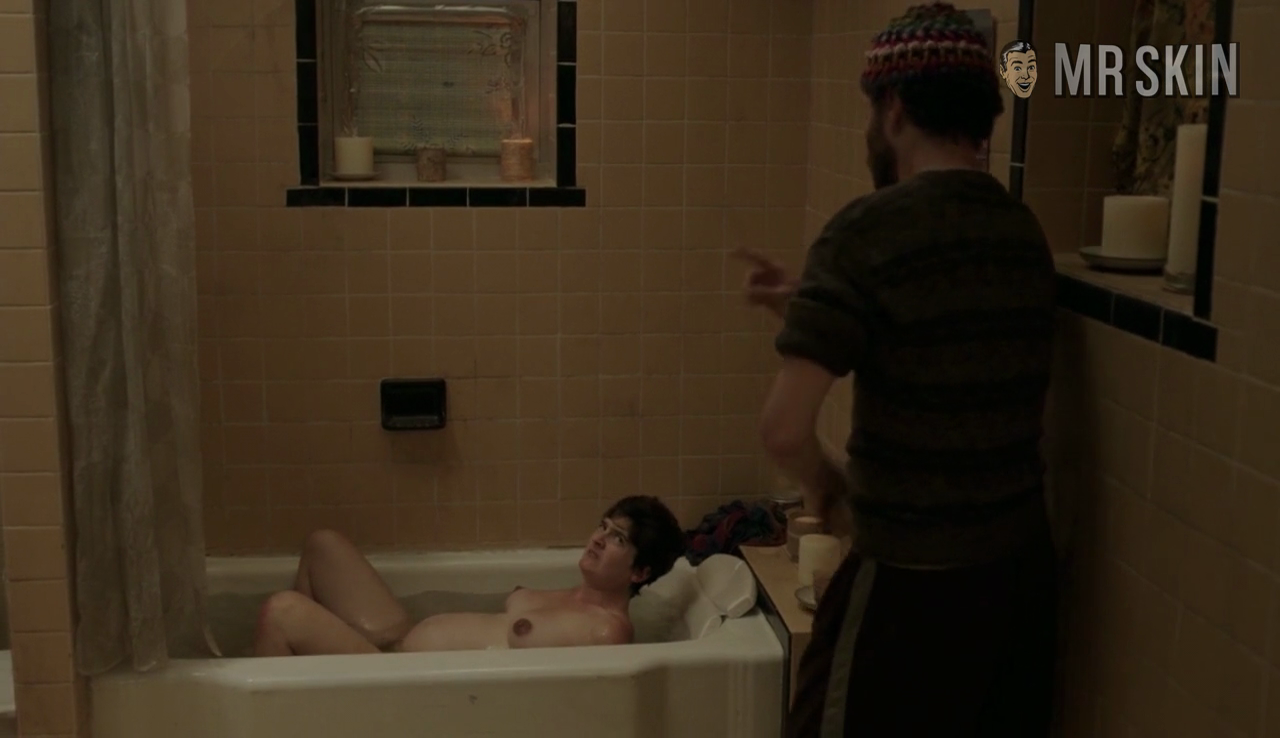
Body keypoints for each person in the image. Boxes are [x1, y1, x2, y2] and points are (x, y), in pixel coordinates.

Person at [736, 3, 1058, 736]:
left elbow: (783, 431)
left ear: (895, 108)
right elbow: (944, 342)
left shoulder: (867, 231)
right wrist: (809, 307)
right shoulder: (1022, 231)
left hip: (911, 587)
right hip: (1017, 582)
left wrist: (829, 488)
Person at [253, 496, 686, 656]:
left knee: (281, 612)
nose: (598, 539)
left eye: (618, 539)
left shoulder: (607, 633)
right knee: (323, 545)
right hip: (398, 641)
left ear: (640, 571)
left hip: (404, 682)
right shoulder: (570, 595)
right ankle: (308, 696)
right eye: (603, 527)